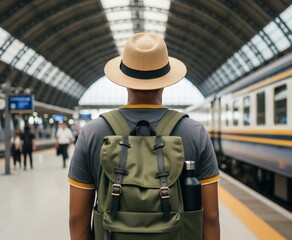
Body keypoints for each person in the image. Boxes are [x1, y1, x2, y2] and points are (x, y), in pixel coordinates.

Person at [68, 32, 220, 240]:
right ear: (166, 80)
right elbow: (210, 217)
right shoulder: (195, 133)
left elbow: (77, 217)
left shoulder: (93, 133)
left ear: (124, 81)